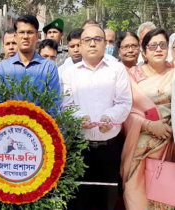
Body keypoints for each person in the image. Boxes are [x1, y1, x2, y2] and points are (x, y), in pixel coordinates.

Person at [62, 25, 132, 210]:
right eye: (87, 40)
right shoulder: (69, 73)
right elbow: (66, 105)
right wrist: (79, 118)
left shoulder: (117, 69)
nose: (92, 44)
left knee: (106, 201)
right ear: (81, 45)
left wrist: (110, 117)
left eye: (97, 39)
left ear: (105, 43)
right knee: (78, 201)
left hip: (109, 148)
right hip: (79, 148)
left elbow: (124, 102)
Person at [121, 28, 174, 210]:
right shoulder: (132, 76)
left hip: (169, 146)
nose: (158, 49)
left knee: (164, 198)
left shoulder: (174, 73)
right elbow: (125, 111)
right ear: (143, 52)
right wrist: (150, 125)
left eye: (163, 45)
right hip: (140, 146)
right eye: (153, 46)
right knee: (136, 197)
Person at [0, 15, 61, 116]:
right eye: (21, 32)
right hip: (10, 128)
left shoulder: (49, 67)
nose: (25, 36)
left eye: (30, 32)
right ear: (15, 36)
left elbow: (53, 106)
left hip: (40, 128)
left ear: (37, 36)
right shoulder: (3, 68)